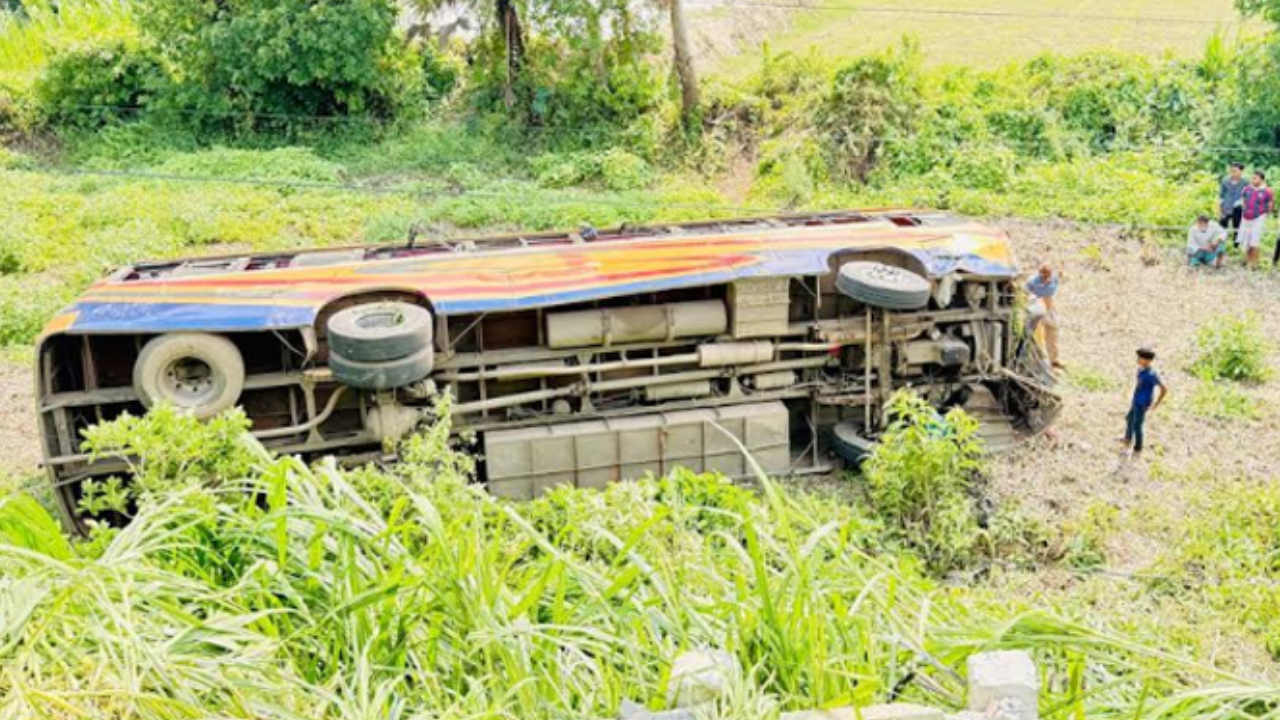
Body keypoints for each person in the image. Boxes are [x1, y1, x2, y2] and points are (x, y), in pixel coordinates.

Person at [1121, 347, 1168, 459]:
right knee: (1129, 418)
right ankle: (1127, 438)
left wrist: (1156, 404)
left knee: (1137, 425)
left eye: (1140, 358)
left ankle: (1137, 448)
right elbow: (1139, 383)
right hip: (1136, 400)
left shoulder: (1151, 375)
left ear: (1148, 360)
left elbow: (1164, 389)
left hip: (1142, 403)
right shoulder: (1141, 370)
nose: (1138, 359)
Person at [1025, 263, 1062, 369]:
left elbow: (1053, 289)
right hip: (1036, 304)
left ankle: (1054, 359)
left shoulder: (1054, 278)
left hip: (1049, 304)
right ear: (1040, 274)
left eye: (1048, 275)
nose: (1046, 278)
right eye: (1044, 275)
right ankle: (1037, 360)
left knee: (1053, 332)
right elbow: (1026, 291)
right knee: (1036, 334)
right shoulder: (1033, 281)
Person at [1239, 171, 1274, 269]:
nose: (1253, 180)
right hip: (1246, 217)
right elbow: (1243, 200)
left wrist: (1263, 214)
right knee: (1246, 239)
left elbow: (1270, 205)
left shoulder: (1267, 191)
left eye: (1255, 178)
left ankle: (1255, 264)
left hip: (1258, 218)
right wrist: (1245, 209)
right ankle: (1246, 260)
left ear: (1261, 179)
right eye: (1252, 178)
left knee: (1255, 241)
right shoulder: (1247, 189)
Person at [1219, 162, 1247, 249]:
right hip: (1226, 207)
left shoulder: (1245, 182)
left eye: (1235, 171)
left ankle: (1236, 247)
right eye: (1231, 171)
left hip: (1238, 209)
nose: (1233, 173)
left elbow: (1247, 197)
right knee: (1222, 227)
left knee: (1237, 227)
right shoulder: (1225, 180)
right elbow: (1221, 196)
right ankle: (1220, 246)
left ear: (1241, 171)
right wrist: (1220, 210)